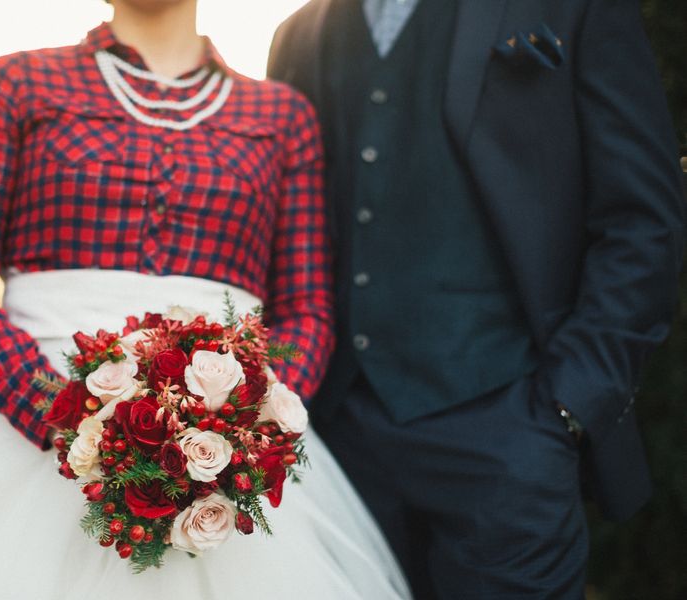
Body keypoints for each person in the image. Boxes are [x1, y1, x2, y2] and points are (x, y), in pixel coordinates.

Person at [0, 1, 413, 598]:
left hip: (221, 449)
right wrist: (65, 415)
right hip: (14, 429)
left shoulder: (282, 118)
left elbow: (307, 310)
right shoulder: (18, 83)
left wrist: (241, 432)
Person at [267, 0, 686, 598]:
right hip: (342, 448)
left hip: (510, 435)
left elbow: (642, 219)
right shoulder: (299, 35)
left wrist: (571, 402)